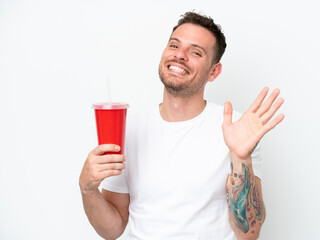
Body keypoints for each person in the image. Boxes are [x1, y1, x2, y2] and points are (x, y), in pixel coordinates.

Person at [79, 11, 284, 240]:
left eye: (195, 52)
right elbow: (112, 229)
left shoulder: (236, 130)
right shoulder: (130, 130)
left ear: (214, 71)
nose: (180, 56)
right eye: (174, 46)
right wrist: (88, 189)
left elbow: (249, 233)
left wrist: (240, 157)